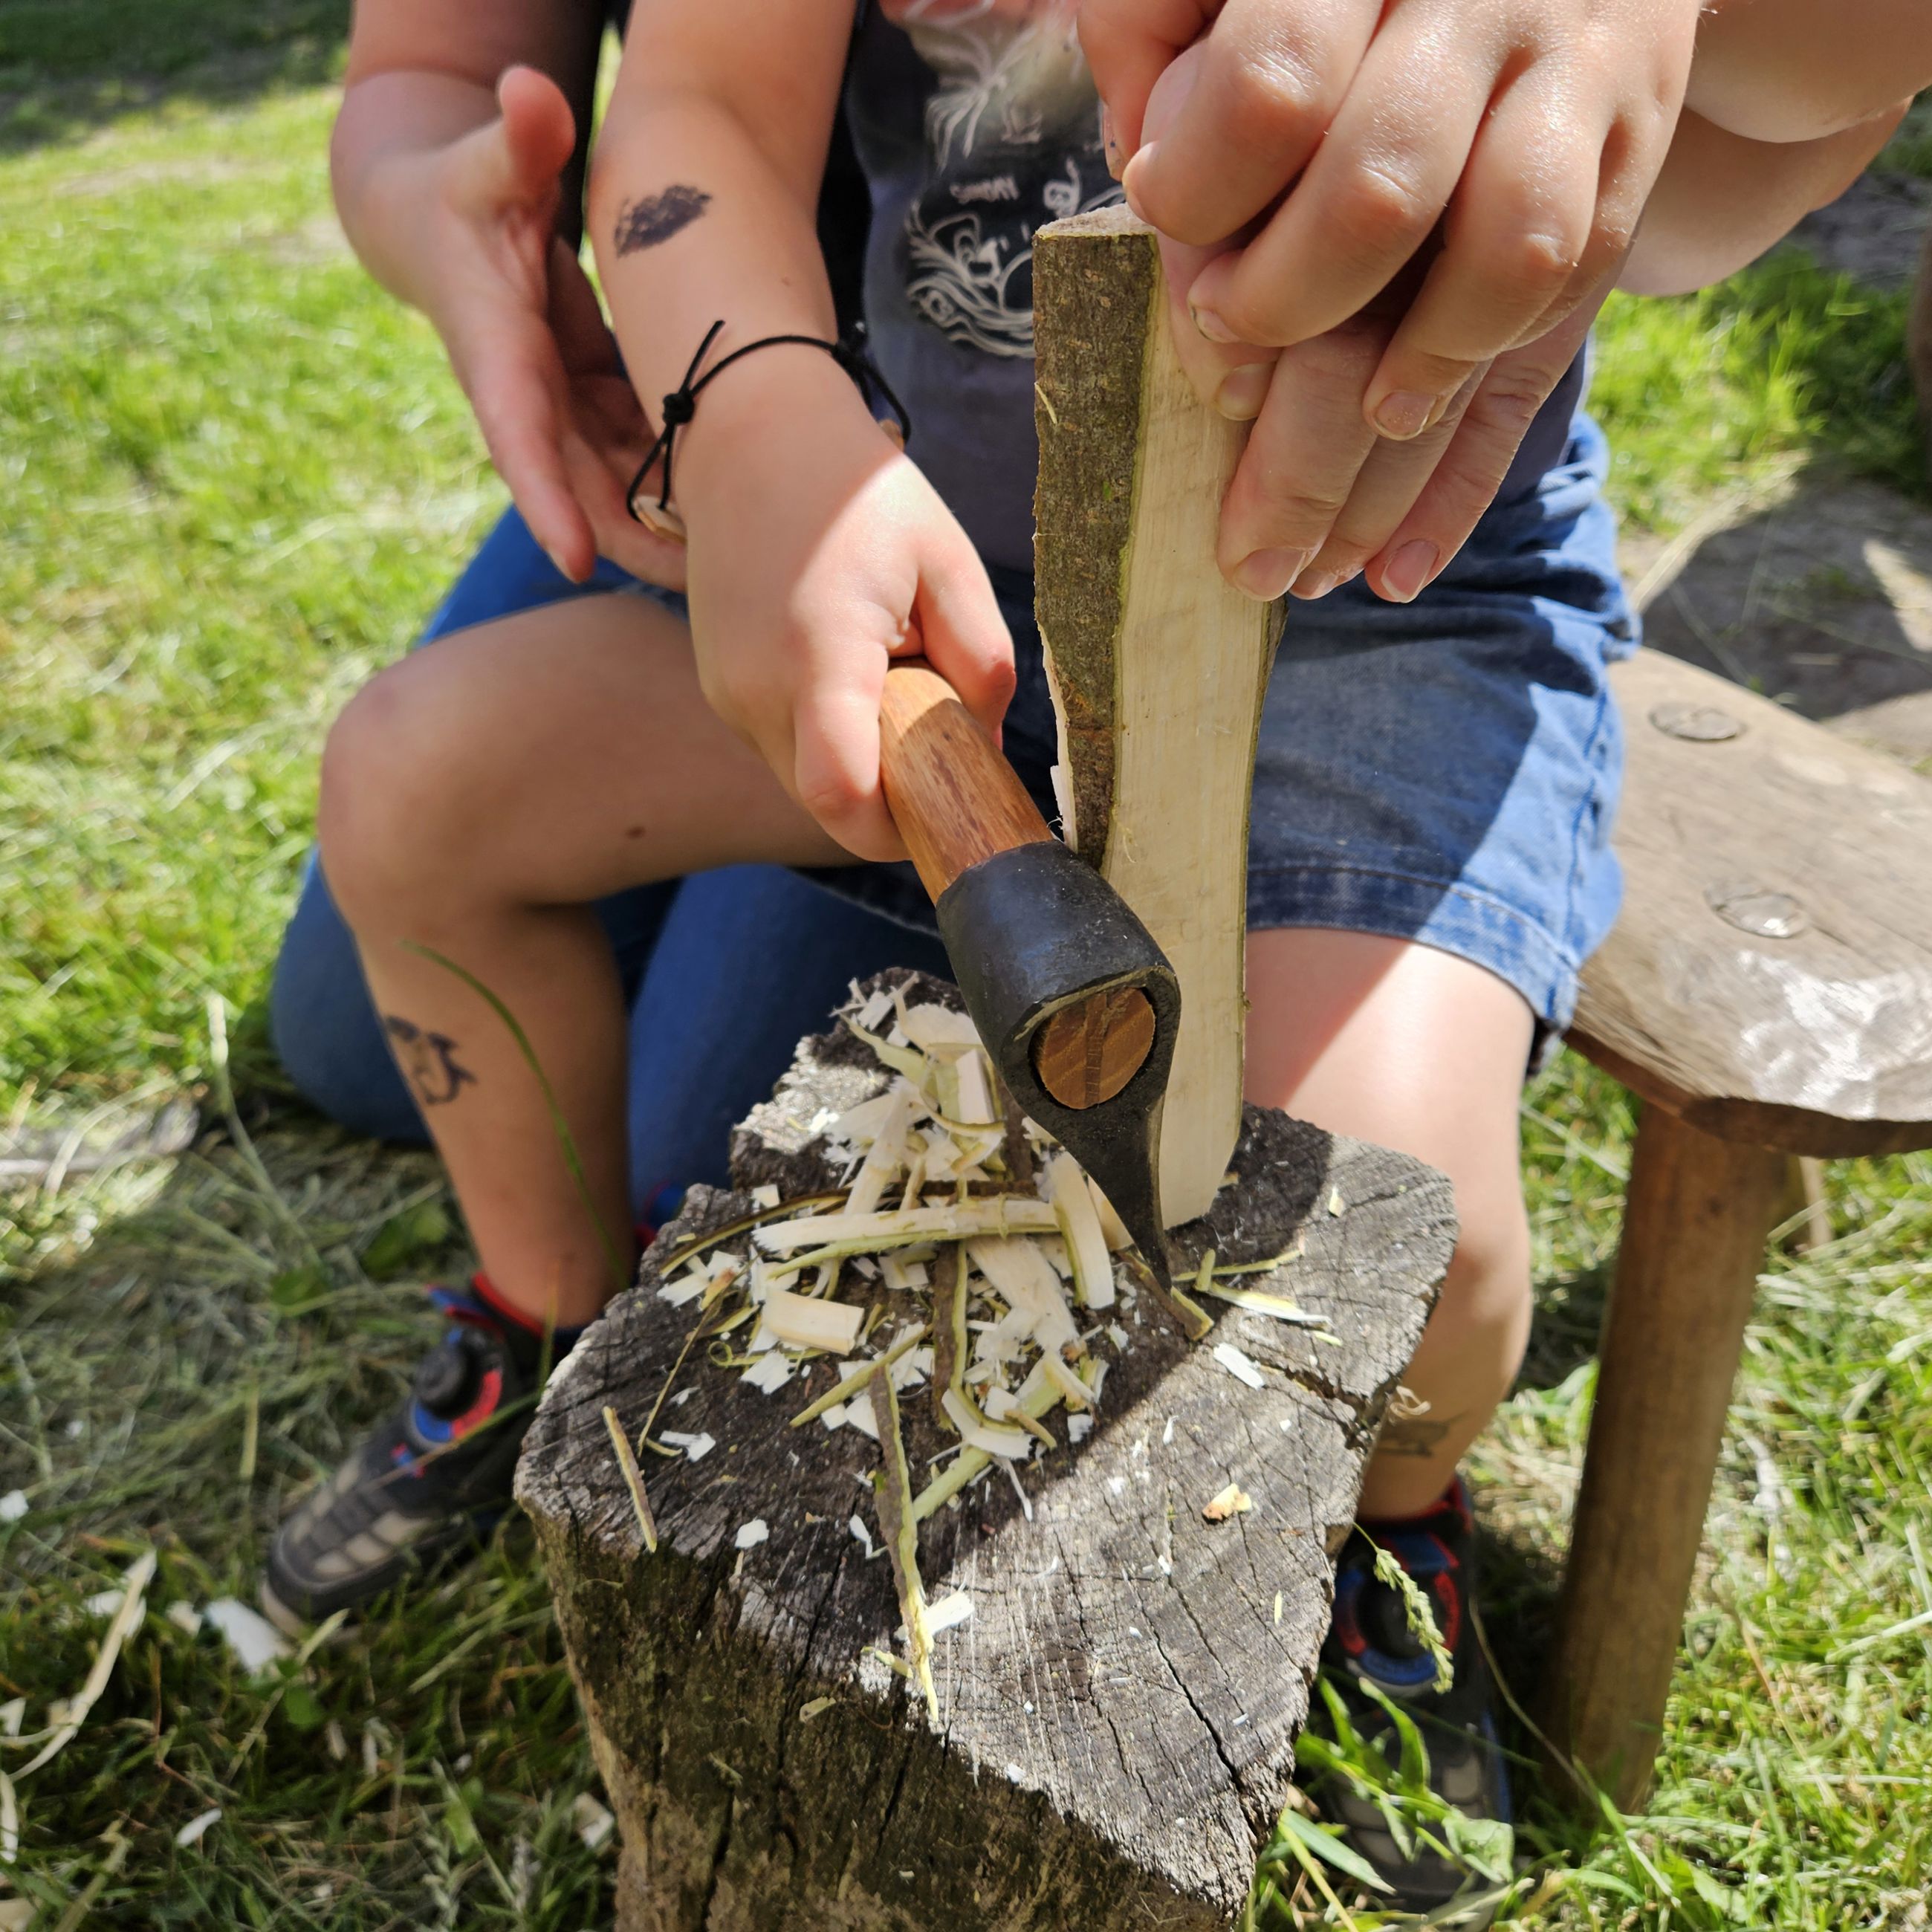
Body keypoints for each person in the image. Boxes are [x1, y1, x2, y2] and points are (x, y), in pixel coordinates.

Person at [270, 0, 1927, 1906]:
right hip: (938, 571)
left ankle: (1389, 1532)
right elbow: (705, 108)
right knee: (409, 790)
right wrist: (756, 410)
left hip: (1379, 604)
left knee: (1414, 1250)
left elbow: (1831, 86)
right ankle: (534, 1323)